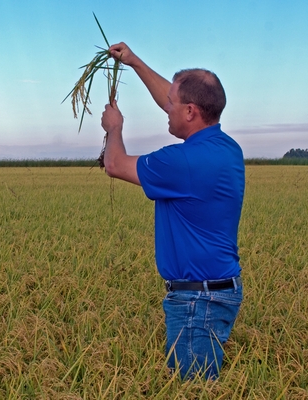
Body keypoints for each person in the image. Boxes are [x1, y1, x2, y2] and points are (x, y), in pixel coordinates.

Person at [100, 42, 245, 380]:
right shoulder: (225, 148)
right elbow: (178, 97)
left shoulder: (181, 163)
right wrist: (134, 62)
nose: (166, 107)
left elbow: (116, 165)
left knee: (191, 387)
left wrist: (114, 129)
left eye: (172, 105)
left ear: (191, 111)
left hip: (197, 302)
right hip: (214, 291)